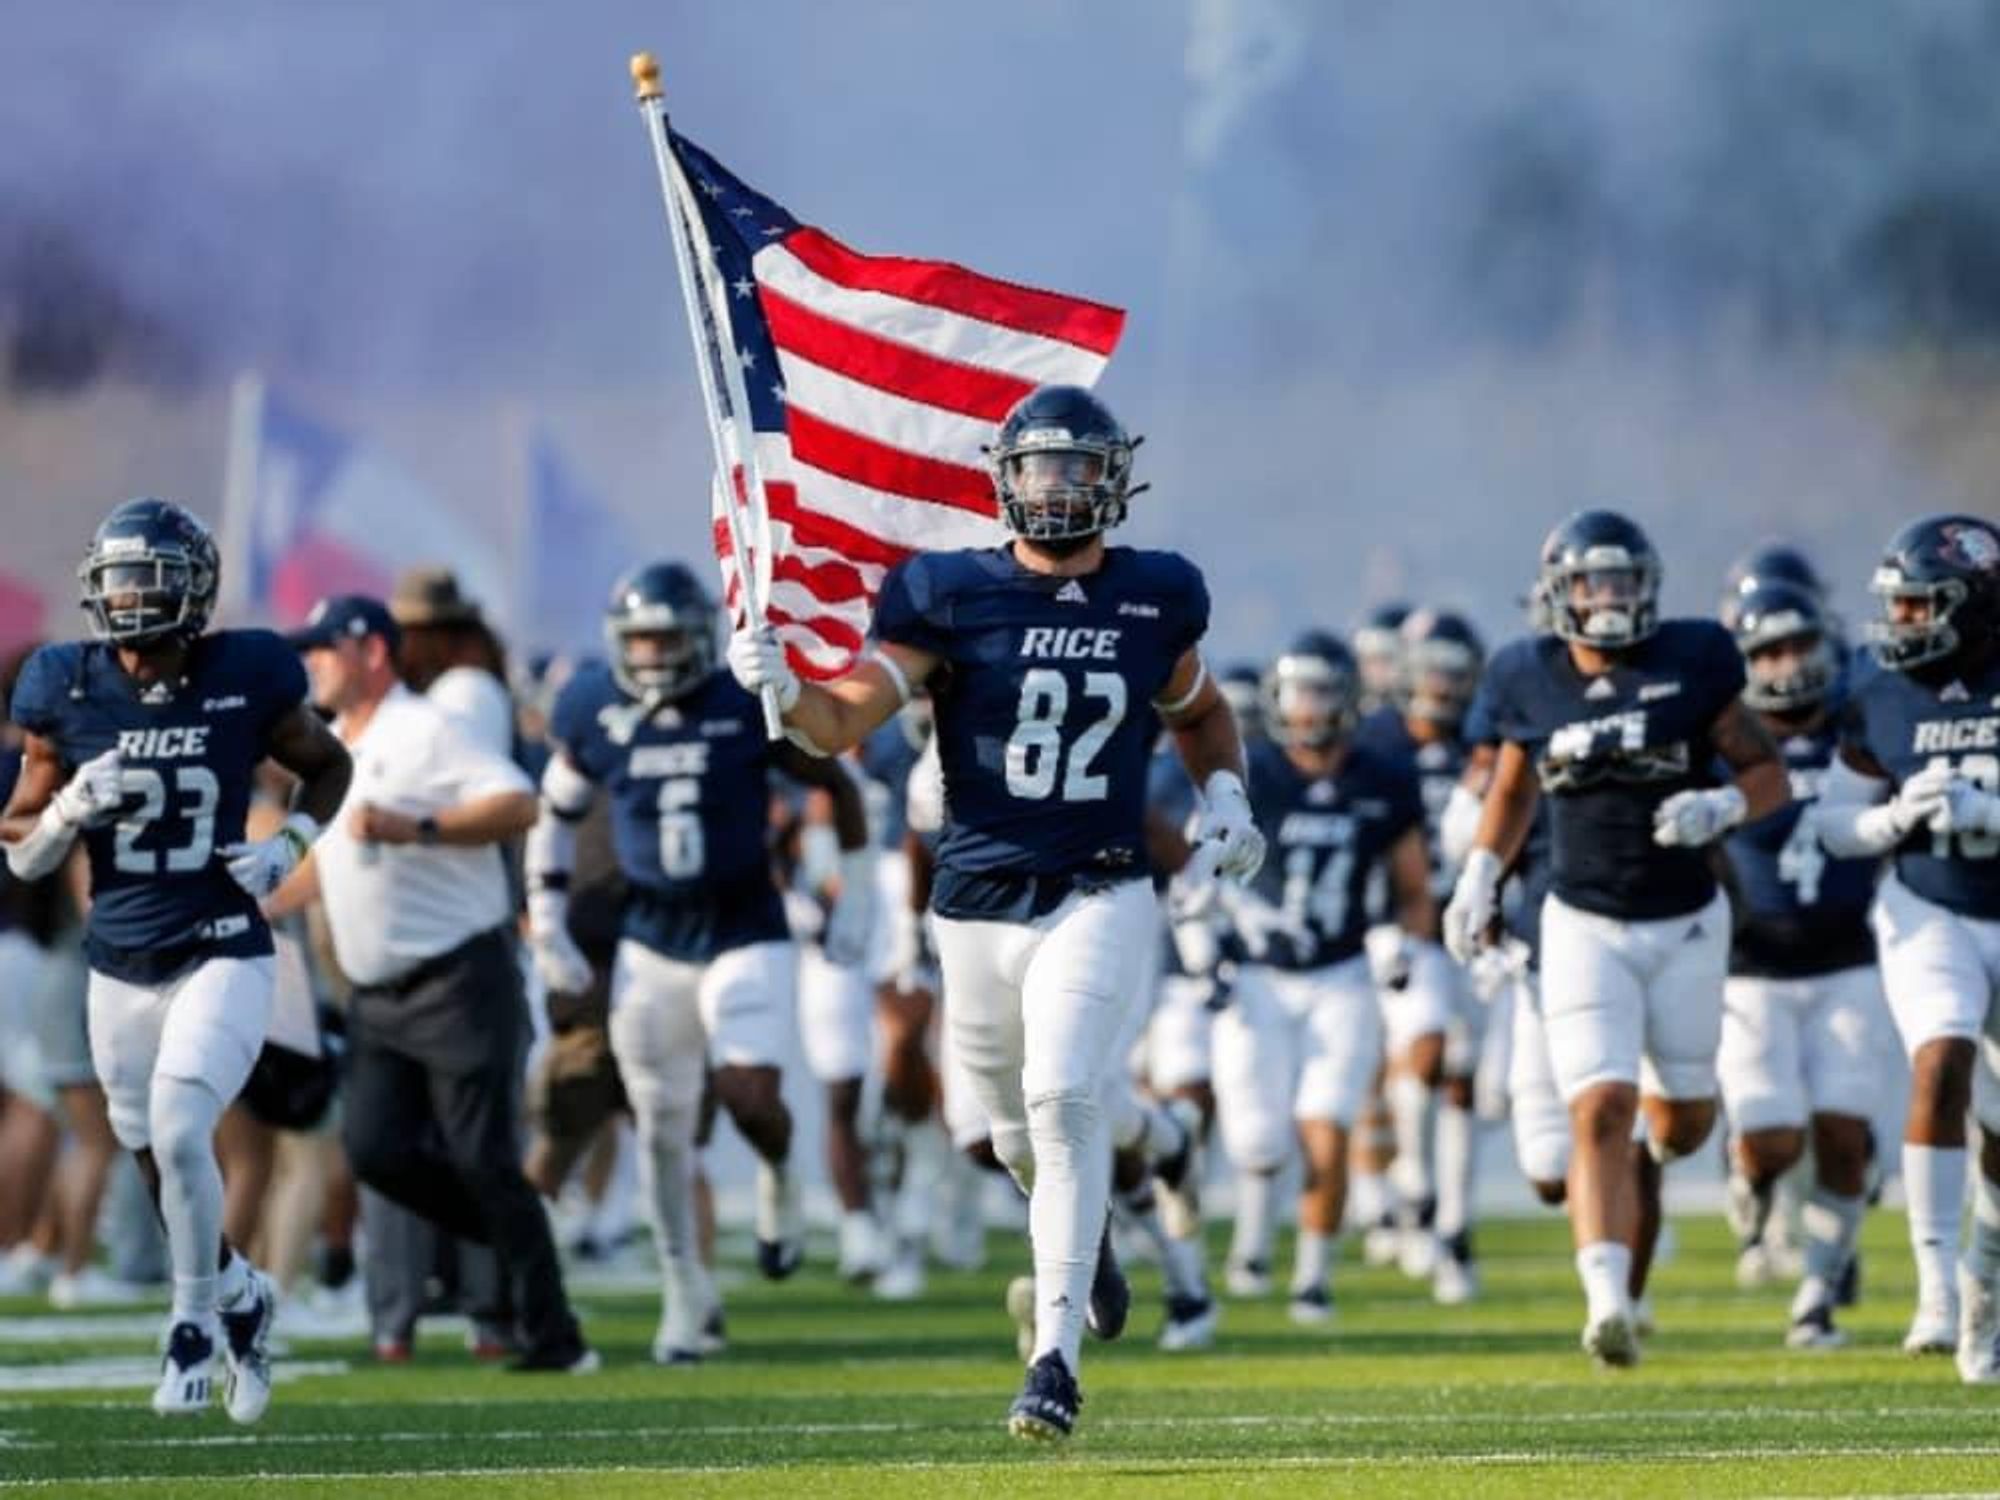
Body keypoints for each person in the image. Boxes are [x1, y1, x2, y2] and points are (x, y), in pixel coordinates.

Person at [727, 383, 1261, 1441]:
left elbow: (1197, 710)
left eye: (1075, 468)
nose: (1056, 488)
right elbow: (841, 724)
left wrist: (1227, 793)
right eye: (1038, 467)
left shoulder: (1155, 595)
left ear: (1112, 480)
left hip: (1098, 885)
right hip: (971, 903)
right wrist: (785, 689)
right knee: (1009, 1137)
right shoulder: (946, 594)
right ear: (1003, 478)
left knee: (1063, 1095)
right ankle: (1089, 1242)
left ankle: (1051, 1359)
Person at [0, 497, 353, 1421]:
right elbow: (18, 844)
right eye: (118, 578)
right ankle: (241, 1289)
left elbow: (331, 764)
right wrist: (72, 809)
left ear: (193, 589)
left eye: (149, 577)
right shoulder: (64, 684)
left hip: (224, 947)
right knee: (152, 1154)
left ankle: (191, 1319)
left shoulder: (247, 670)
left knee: (183, 1125)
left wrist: (292, 846)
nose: (131, 596)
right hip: (117, 961)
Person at [1444, 508, 1789, 1368]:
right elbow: (1515, 787)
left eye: (1624, 581)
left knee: (1680, 1124)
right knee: (1598, 1104)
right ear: (1560, 592)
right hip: (1582, 919)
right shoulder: (1528, 674)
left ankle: (1680, 1171)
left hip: (1684, 921)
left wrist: (1726, 805)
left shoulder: (1694, 659)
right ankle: (1606, 1302)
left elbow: (1766, 771)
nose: (1610, 599)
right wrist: (1483, 871)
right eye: (1594, 582)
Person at [525, 561, 871, 1364]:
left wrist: (856, 897)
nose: (650, 656)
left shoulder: (741, 703)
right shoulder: (591, 708)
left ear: (699, 640)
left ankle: (779, 1170)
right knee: (661, 1133)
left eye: (665, 640)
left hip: (744, 925)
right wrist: (547, 919)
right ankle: (686, 1296)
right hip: (651, 941)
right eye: (638, 640)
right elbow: (554, 814)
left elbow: (841, 787)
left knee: (749, 1094)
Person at [269, 594, 595, 1374]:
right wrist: (258, 892)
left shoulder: (423, 726)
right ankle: (521, 1246)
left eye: (324, 647)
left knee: (482, 1159)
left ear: (372, 652)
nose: (310, 661)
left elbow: (520, 800)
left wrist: (420, 829)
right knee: (375, 1151)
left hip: (458, 979)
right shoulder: (335, 743)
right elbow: (334, 864)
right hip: (379, 994)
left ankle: (555, 1336)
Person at [1814, 514, 2000, 1380]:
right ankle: (1934, 1283)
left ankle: (1984, 1274)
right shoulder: (1878, 689)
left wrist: (1991, 814)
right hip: (1928, 906)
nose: (1905, 624)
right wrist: (1895, 816)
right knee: (1940, 1057)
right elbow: (1833, 823)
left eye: (1924, 606)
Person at [1209, 630, 1433, 1325]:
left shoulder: (1383, 777)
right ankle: (1251, 1242)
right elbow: (1203, 873)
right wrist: (1235, 921)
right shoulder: (1250, 773)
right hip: (1259, 976)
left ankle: (1312, 1275)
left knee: (1326, 1126)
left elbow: (1414, 886)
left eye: (1320, 690)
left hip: (1341, 972)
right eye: (1297, 691)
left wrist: (1403, 939)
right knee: (1258, 1140)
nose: (1308, 707)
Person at [1713, 580, 1896, 1350]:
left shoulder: (1861, 727)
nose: (1789, 665)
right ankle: (1750, 1179)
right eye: (1769, 650)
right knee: (1771, 1139)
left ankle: (1817, 1296)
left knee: (1846, 1135)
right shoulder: (1726, 741)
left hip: (1850, 956)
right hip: (1752, 969)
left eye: (1801, 646)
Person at [1352, 606, 1489, 1302]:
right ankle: (1413, 1182)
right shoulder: (1377, 740)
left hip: (1483, 929)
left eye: (1452, 675)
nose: (1439, 687)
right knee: (1428, 1053)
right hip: (1409, 926)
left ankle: (1454, 1226)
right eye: (1429, 672)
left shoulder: (1485, 739)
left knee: (1473, 1084)